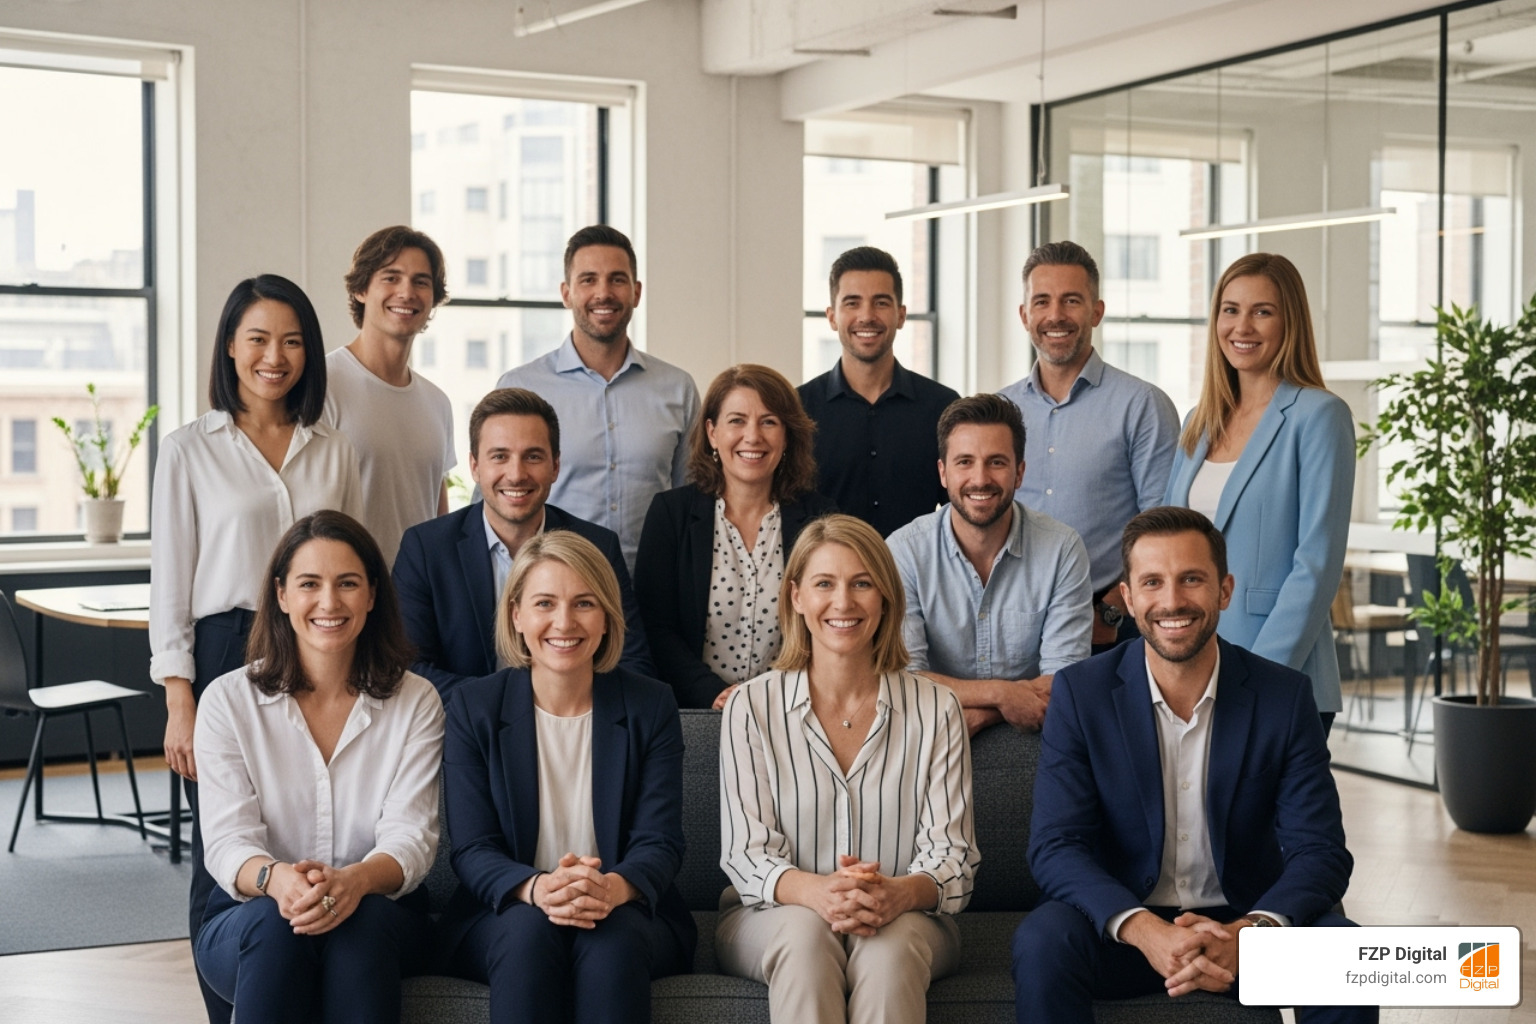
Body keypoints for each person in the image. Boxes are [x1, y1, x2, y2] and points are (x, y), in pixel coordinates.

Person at [1012, 506, 1375, 1024]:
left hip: (1243, 933)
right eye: (1153, 582)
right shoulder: (1081, 693)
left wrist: (1249, 934)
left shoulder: (1284, 697)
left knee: (1344, 950)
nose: (1172, 601)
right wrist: (1144, 929)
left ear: (1224, 590)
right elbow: (1056, 846)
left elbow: (1320, 850)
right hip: (1125, 934)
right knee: (1044, 939)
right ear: (1128, 598)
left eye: (1191, 579)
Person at [149, 274, 362, 1024]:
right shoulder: (189, 449)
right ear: (231, 349)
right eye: (259, 339)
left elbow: (349, 562)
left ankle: (302, 987)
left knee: (307, 820)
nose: (276, 357)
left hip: (319, 645)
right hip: (223, 650)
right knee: (224, 848)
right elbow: (170, 582)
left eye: (293, 341)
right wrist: (179, 697)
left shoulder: (334, 449)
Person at [718, 514, 978, 1024]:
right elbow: (747, 855)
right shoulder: (751, 706)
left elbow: (953, 857)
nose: (843, 602)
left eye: (862, 583)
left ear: (885, 598)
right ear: (796, 597)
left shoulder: (937, 708)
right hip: (771, 917)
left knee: (887, 950)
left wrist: (897, 894)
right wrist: (820, 894)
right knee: (806, 937)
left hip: (908, 917)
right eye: (824, 584)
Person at [193, 511, 444, 1024]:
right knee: (275, 926)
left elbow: (411, 838)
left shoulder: (417, 700)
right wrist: (278, 880)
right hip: (248, 917)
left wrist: (355, 881)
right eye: (309, 583)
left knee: (362, 923)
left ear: (372, 595)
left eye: (347, 583)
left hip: (381, 915)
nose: (329, 602)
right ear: (282, 595)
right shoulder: (226, 701)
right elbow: (226, 841)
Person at [439, 532, 696, 1023]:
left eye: (584, 603)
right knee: (528, 933)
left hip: (623, 906)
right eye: (544, 603)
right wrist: (537, 889)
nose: (564, 622)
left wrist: (609, 890)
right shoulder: (474, 708)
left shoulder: (651, 705)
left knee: (611, 940)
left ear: (607, 618)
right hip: (507, 910)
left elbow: (660, 842)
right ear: (516, 615)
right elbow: (472, 848)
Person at [1164, 252, 1354, 732]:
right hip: (1191, 672)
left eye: (1262, 311)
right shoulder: (1198, 422)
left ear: (1289, 322)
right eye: (1230, 310)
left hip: (1277, 675)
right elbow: (1168, 546)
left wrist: (1259, 678)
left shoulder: (1319, 416)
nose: (1242, 326)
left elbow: (1316, 566)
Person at [393, 387, 655, 701]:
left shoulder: (597, 546)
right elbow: (409, 669)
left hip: (575, 719)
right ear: (475, 466)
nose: (516, 475)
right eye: (499, 456)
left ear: (555, 466)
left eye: (532, 457)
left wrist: (557, 706)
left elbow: (633, 663)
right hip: (466, 725)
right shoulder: (426, 549)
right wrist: (512, 703)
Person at [998, 241, 1178, 654]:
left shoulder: (1142, 405)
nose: (1055, 315)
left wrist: (1111, 612)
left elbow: (1162, 529)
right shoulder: (1001, 410)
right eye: (1042, 302)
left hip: (1109, 629)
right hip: (1018, 625)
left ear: (1096, 311)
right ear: (1025, 316)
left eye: (1071, 300)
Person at [887, 394, 1092, 737]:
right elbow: (905, 679)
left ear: (1019, 472)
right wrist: (1002, 695)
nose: (980, 479)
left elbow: (1064, 681)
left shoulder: (1062, 549)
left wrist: (982, 716)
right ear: (943, 473)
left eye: (996, 462)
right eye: (964, 462)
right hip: (929, 735)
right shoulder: (903, 551)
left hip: (1034, 733)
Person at [496, 224, 700, 568]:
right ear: (566, 293)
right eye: (588, 280)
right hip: (552, 586)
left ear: (636, 292)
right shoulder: (522, 388)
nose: (603, 293)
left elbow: (693, 504)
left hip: (653, 587)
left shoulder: (678, 389)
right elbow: (493, 505)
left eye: (617, 279)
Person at [634, 364, 835, 710]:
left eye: (769, 422)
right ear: (712, 432)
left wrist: (785, 693)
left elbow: (830, 621)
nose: (752, 436)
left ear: (787, 435)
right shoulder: (671, 514)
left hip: (793, 709)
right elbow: (654, 626)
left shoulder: (821, 518)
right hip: (696, 711)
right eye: (737, 421)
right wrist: (711, 692)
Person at [799, 246, 959, 538]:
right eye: (852, 303)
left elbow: (959, 511)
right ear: (832, 317)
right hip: (824, 567)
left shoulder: (943, 407)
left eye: (881, 302)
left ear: (901, 315)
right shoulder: (798, 409)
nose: (867, 316)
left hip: (915, 569)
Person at [324, 225, 456, 566]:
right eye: (391, 278)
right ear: (361, 289)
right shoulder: (323, 385)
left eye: (421, 282)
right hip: (347, 584)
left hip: (417, 589)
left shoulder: (437, 403)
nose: (407, 292)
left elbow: (437, 511)